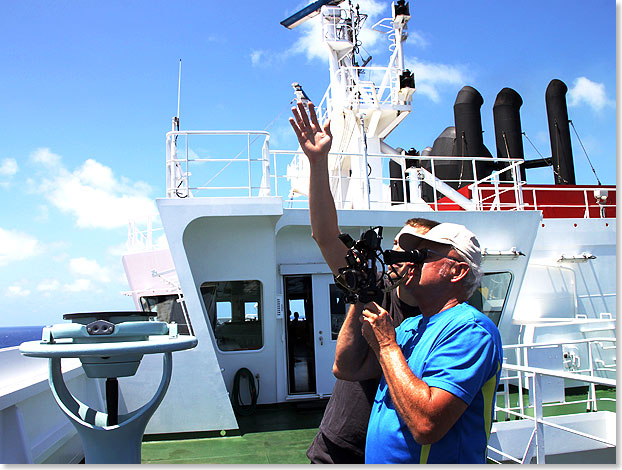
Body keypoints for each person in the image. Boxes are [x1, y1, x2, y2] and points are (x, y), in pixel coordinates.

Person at [289, 101, 438, 463]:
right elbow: (325, 235)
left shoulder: (446, 317)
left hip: (396, 451)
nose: (400, 251)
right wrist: (317, 161)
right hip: (340, 444)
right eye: (399, 242)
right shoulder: (371, 286)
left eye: (415, 248)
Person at [338, 222, 502, 464]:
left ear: (457, 271)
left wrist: (386, 345)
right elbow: (346, 368)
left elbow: (427, 424)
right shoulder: (410, 328)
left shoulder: (470, 330)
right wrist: (362, 295)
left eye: (422, 256)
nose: (410, 263)